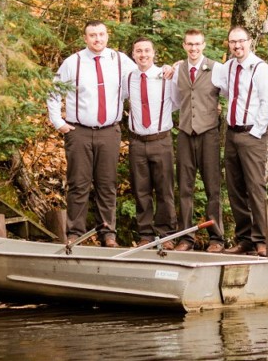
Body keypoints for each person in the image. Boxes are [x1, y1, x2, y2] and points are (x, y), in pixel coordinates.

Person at [46, 20, 136, 246]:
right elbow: (54, 92)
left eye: (101, 34)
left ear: (107, 36)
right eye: (93, 35)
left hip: (109, 131)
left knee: (107, 184)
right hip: (79, 132)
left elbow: (142, 78)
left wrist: (166, 70)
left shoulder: (119, 60)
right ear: (85, 38)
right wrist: (59, 122)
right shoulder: (73, 62)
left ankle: (108, 233)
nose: (98, 39)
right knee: (78, 183)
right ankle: (75, 232)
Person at [211, 26, 268, 256]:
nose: (237, 46)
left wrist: (256, 132)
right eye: (232, 42)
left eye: (241, 42)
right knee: (235, 187)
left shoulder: (262, 70)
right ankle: (244, 239)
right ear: (228, 44)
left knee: (255, 188)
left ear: (250, 41)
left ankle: (262, 239)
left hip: (252, 135)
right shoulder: (228, 67)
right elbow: (212, 80)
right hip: (232, 133)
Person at [168, 29, 226, 253]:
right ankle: (186, 237)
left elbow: (230, 93)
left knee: (213, 187)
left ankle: (217, 238)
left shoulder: (216, 68)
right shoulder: (177, 70)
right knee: (184, 186)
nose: (193, 48)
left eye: (197, 44)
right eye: (190, 44)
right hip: (184, 133)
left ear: (204, 45)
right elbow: (174, 100)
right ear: (184, 46)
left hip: (209, 133)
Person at [121, 38, 179, 246]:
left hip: (161, 140)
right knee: (141, 189)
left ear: (154, 53)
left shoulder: (166, 76)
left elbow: (177, 102)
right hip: (137, 141)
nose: (143, 54)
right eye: (138, 51)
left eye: (147, 50)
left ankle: (166, 234)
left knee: (165, 189)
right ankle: (145, 234)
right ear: (133, 55)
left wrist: (176, 66)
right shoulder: (128, 79)